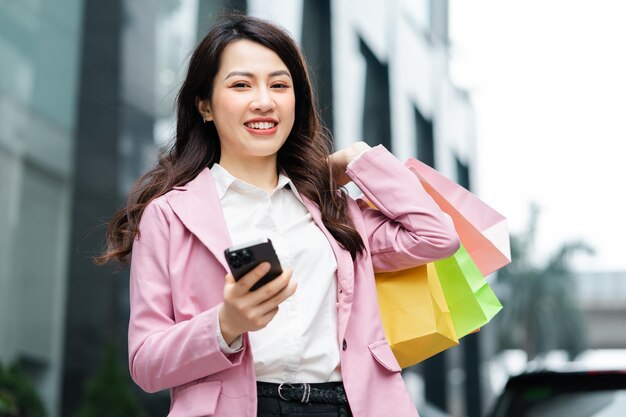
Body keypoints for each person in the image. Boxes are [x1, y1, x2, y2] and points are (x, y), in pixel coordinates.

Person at [97, 14, 459, 417]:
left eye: (279, 85)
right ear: (205, 105)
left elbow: (436, 236)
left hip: (349, 405)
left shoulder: (333, 208)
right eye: (240, 84)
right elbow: (146, 363)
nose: (264, 101)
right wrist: (226, 322)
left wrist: (359, 161)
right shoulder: (169, 216)